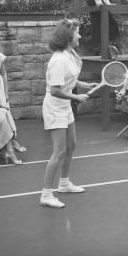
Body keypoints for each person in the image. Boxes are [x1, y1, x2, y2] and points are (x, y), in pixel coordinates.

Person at [40, 19, 98, 208]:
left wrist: (84, 85)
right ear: (68, 37)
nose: (80, 35)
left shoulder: (70, 54)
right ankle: (46, 195)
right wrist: (77, 97)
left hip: (64, 106)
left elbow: (70, 79)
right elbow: (55, 90)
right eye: (77, 33)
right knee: (59, 151)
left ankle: (64, 184)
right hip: (55, 107)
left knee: (71, 146)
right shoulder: (58, 60)